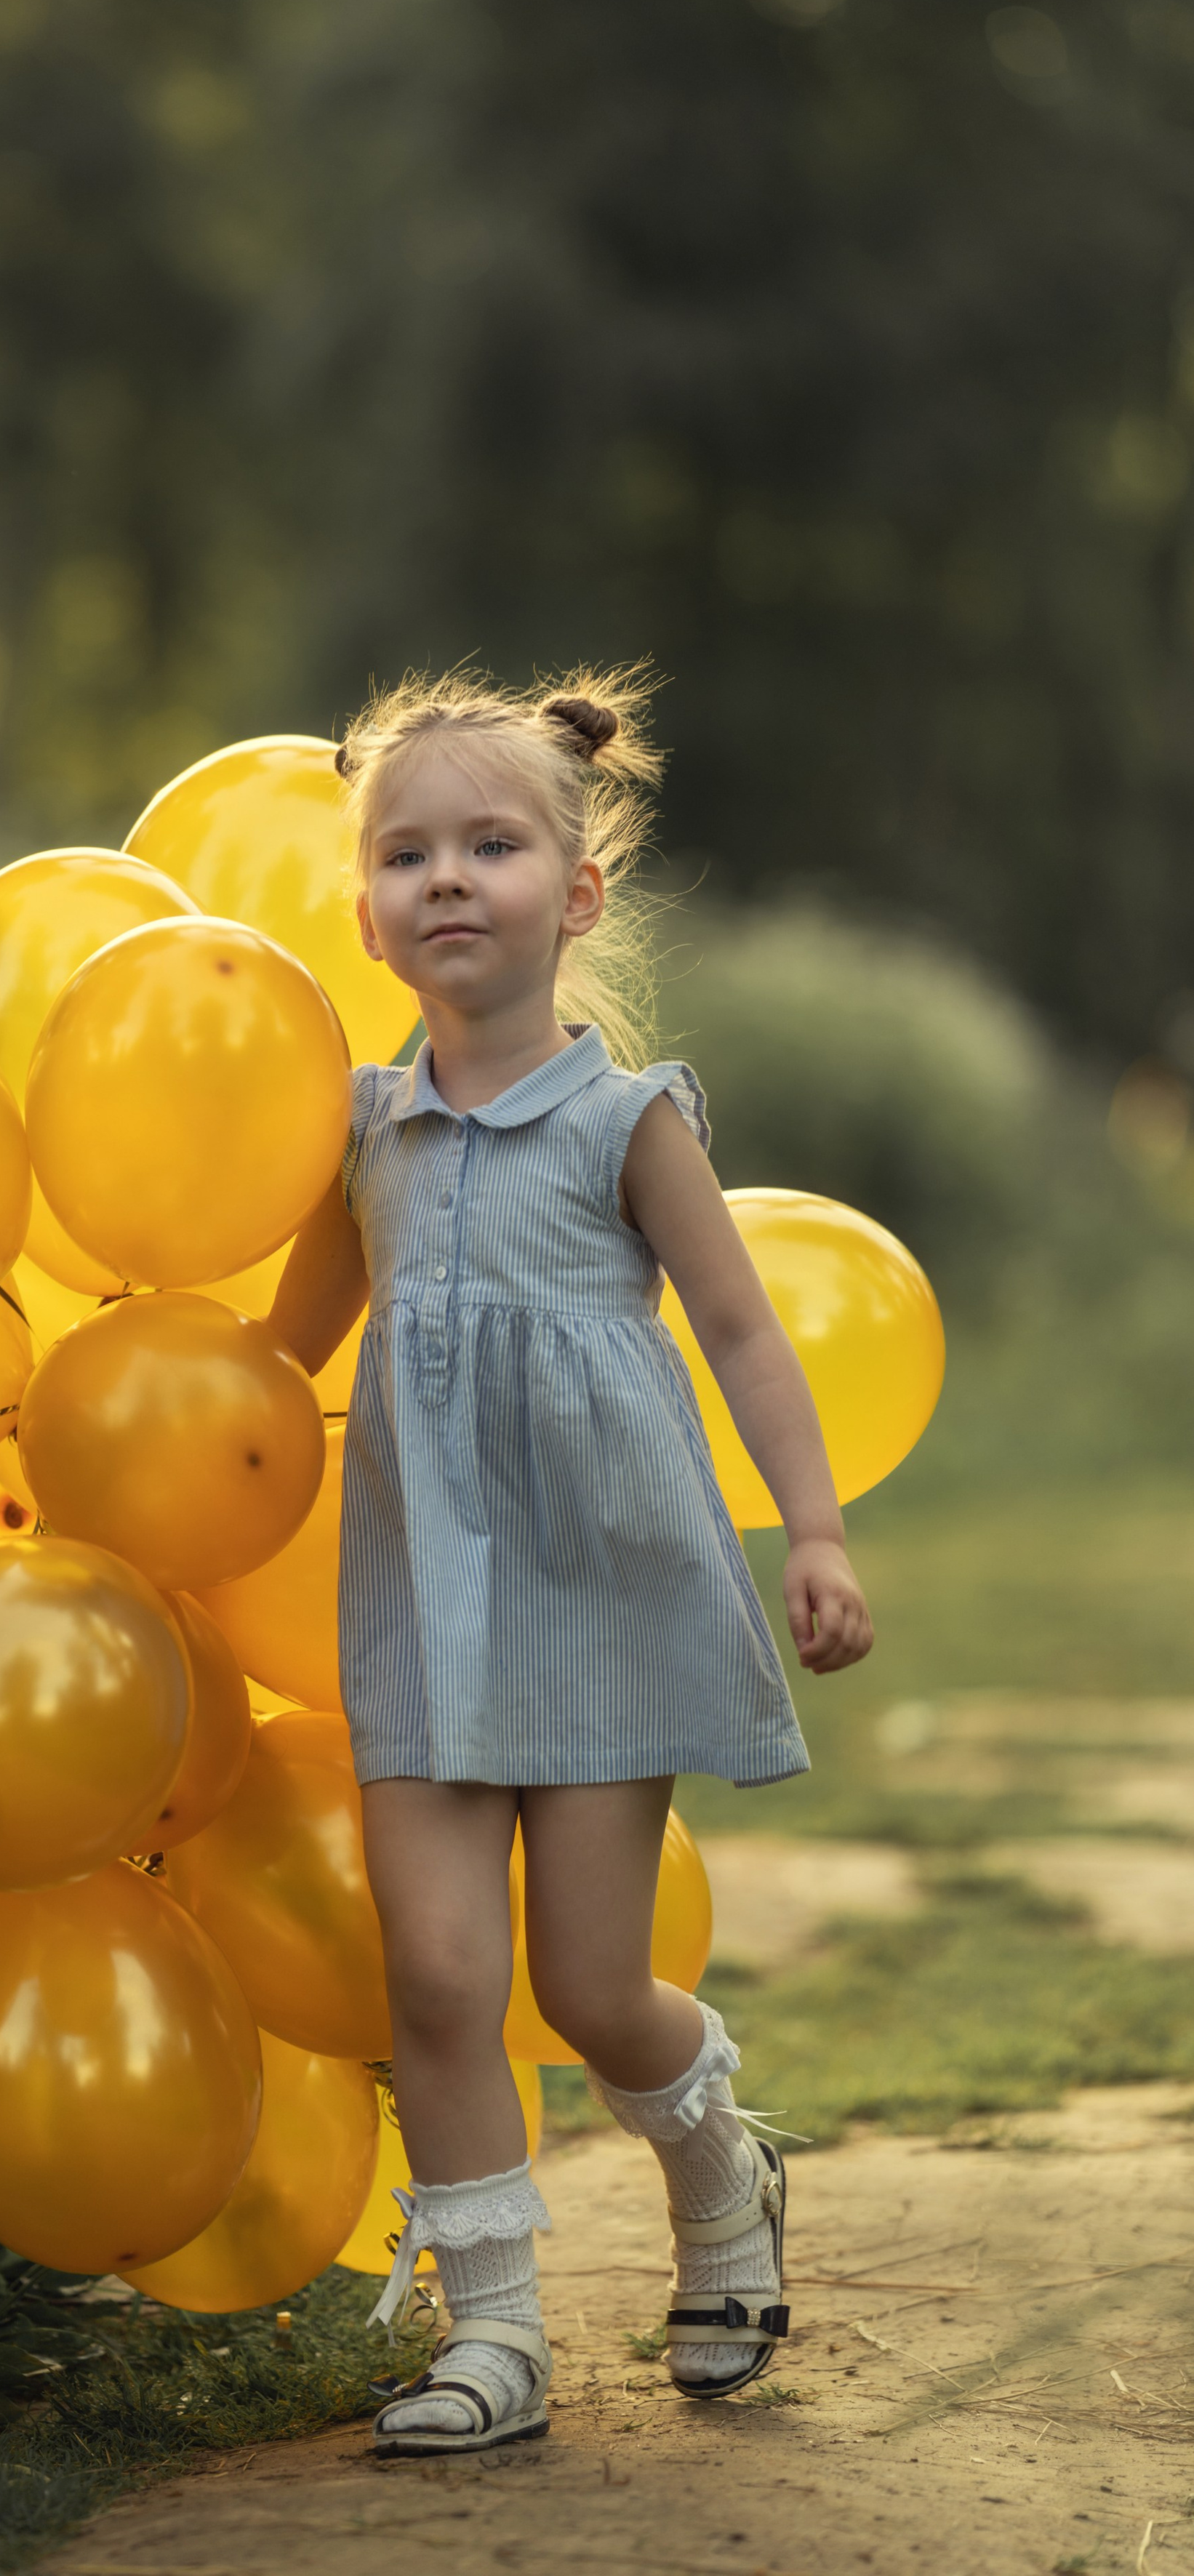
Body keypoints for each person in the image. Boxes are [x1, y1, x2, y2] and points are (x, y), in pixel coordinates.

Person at [268, 670, 873, 2455]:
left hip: (600, 1593)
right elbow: (267, 1366)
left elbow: (742, 1330)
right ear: (366, 914)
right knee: (436, 1974)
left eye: (490, 845)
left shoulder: (628, 1123)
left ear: (578, 893)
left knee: (590, 1992)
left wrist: (813, 1529)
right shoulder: (359, 1135)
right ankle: (494, 2334)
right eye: (405, 855)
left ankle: (719, 2178)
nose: (445, 877)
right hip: (424, 1607)